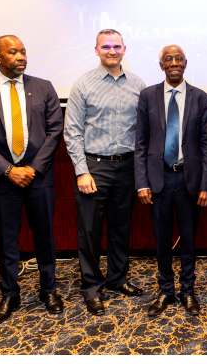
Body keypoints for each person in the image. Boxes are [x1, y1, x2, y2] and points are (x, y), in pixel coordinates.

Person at [0, 35, 63, 324]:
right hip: (0, 180)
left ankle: (49, 290)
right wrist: (8, 170)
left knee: (45, 235)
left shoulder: (43, 87)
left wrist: (33, 168)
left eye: (23, 51)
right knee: (7, 240)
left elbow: (54, 131)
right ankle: (10, 294)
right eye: (13, 52)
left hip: (38, 177)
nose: (21, 56)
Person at [64, 29, 145, 316]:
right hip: (94, 166)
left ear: (125, 49)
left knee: (121, 227)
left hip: (127, 166)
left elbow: (143, 130)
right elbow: (72, 131)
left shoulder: (138, 84)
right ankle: (91, 287)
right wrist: (81, 171)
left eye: (117, 46)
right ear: (96, 50)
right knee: (90, 230)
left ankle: (117, 279)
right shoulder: (83, 84)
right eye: (106, 46)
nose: (112, 51)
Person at [135, 45, 207, 316]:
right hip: (159, 180)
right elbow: (140, 143)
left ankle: (188, 291)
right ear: (161, 66)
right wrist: (142, 182)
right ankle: (166, 290)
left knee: (189, 239)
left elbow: (206, 145)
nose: (174, 63)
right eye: (168, 59)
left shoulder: (200, 98)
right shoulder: (147, 96)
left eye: (179, 58)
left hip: (189, 180)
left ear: (185, 63)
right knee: (162, 238)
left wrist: (205, 185)